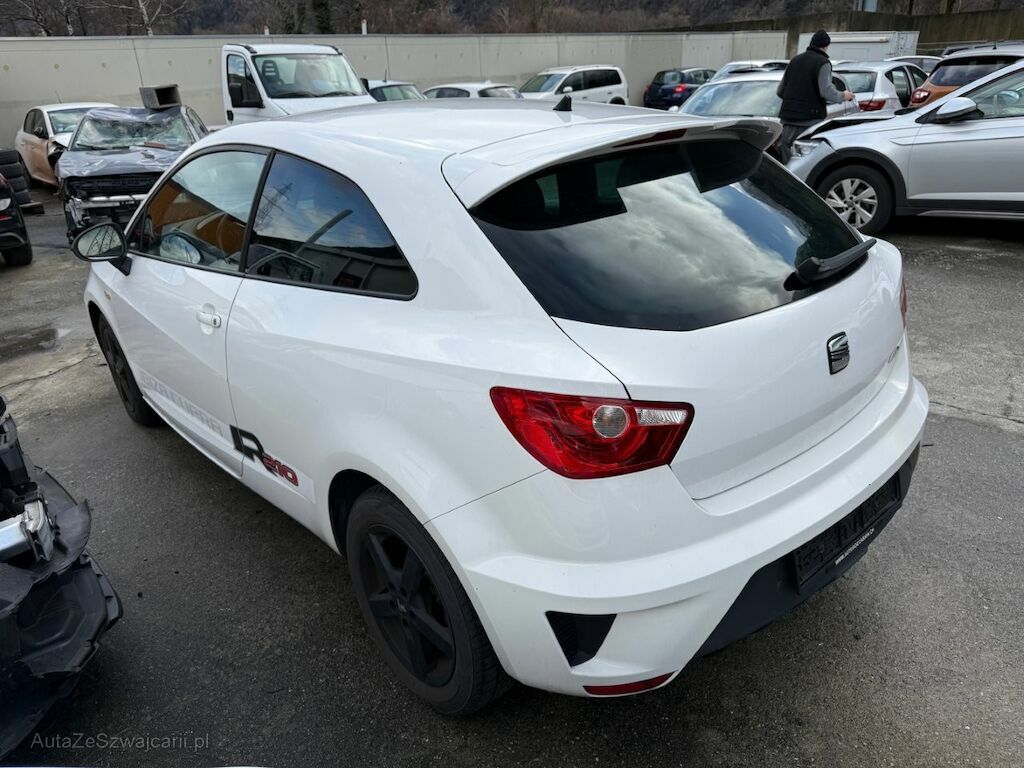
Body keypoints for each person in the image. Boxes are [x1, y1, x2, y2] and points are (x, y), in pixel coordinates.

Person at [775, 30, 854, 164]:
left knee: (787, 163)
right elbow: (826, 91)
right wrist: (844, 96)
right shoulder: (823, 63)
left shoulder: (795, 60)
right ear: (825, 46)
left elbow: (780, 91)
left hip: (787, 121)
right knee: (806, 162)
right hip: (810, 121)